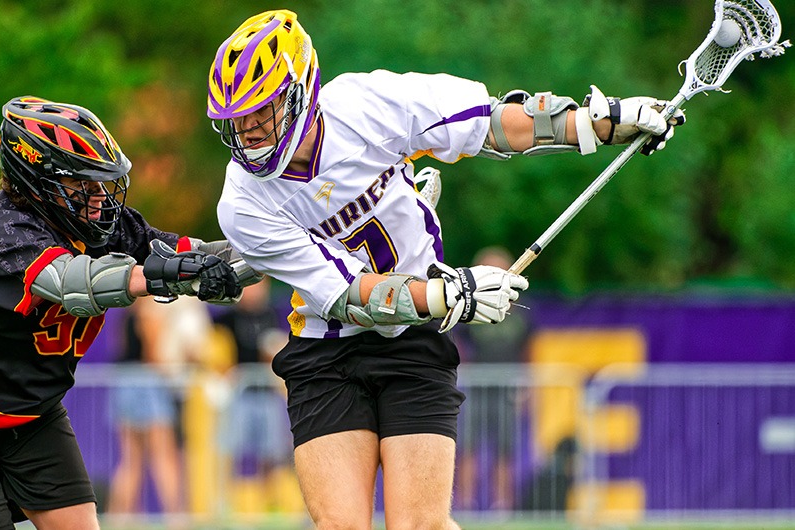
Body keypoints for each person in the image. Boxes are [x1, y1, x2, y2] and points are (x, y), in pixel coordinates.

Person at [205, 9, 685, 528]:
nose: (248, 133)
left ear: (301, 93)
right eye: (237, 121)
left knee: (421, 525)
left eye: (261, 113)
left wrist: (599, 123)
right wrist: (451, 293)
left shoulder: (366, 103)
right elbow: (350, 294)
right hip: (327, 350)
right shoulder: (242, 204)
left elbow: (492, 123)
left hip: (413, 341)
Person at [0, 96, 250, 529]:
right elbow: (74, 283)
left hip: (29, 409)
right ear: (36, 180)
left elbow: (192, 255)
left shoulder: (97, 224)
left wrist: (284, 251)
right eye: (82, 184)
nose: (99, 198)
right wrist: (160, 276)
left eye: (101, 183)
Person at [107, 295, 212, 517]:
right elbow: (154, 355)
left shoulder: (128, 315)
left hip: (125, 384)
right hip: (148, 385)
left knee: (131, 459)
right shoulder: (149, 313)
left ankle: (119, 517)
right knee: (163, 455)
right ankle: (175, 516)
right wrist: (176, 370)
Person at [455, 247, 535, 511]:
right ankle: (466, 504)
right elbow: (459, 346)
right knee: (467, 446)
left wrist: (527, 385)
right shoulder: (470, 311)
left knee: (505, 449)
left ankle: (502, 506)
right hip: (475, 388)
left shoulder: (522, 314)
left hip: (507, 389)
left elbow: (529, 351)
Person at [214, 278, 294, 510]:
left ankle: (271, 504)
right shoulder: (226, 319)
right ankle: (227, 504)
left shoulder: (271, 315)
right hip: (239, 395)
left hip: (266, 394)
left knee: (272, 452)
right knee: (231, 450)